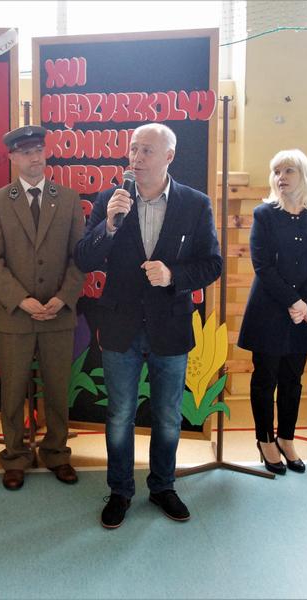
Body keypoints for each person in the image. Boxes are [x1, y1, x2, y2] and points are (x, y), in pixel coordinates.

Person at [74, 123, 222, 529]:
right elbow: (84, 259)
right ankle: (120, 490)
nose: (136, 158)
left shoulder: (195, 204)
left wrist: (173, 275)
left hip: (170, 328)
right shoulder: (110, 200)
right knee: (120, 414)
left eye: (147, 151)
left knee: (169, 416)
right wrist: (108, 225)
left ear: (169, 157)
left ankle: (162, 486)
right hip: (120, 326)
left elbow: (212, 264)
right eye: (133, 149)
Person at [0, 126, 85, 491]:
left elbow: (80, 257)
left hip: (59, 314)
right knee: (12, 392)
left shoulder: (68, 199)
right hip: (15, 316)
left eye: (39, 149)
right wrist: (20, 299)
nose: (35, 157)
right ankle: (15, 456)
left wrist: (64, 297)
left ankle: (56, 453)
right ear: (12, 157)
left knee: (57, 390)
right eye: (26, 152)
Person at [237, 150, 307, 476]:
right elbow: (262, 265)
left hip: (303, 311)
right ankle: (265, 439)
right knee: (265, 378)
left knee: (293, 379)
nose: (281, 177)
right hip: (269, 308)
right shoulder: (264, 214)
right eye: (276, 171)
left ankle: (286, 439)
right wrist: (294, 301)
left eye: (288, 170)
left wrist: (302, 301)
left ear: (303, 175)